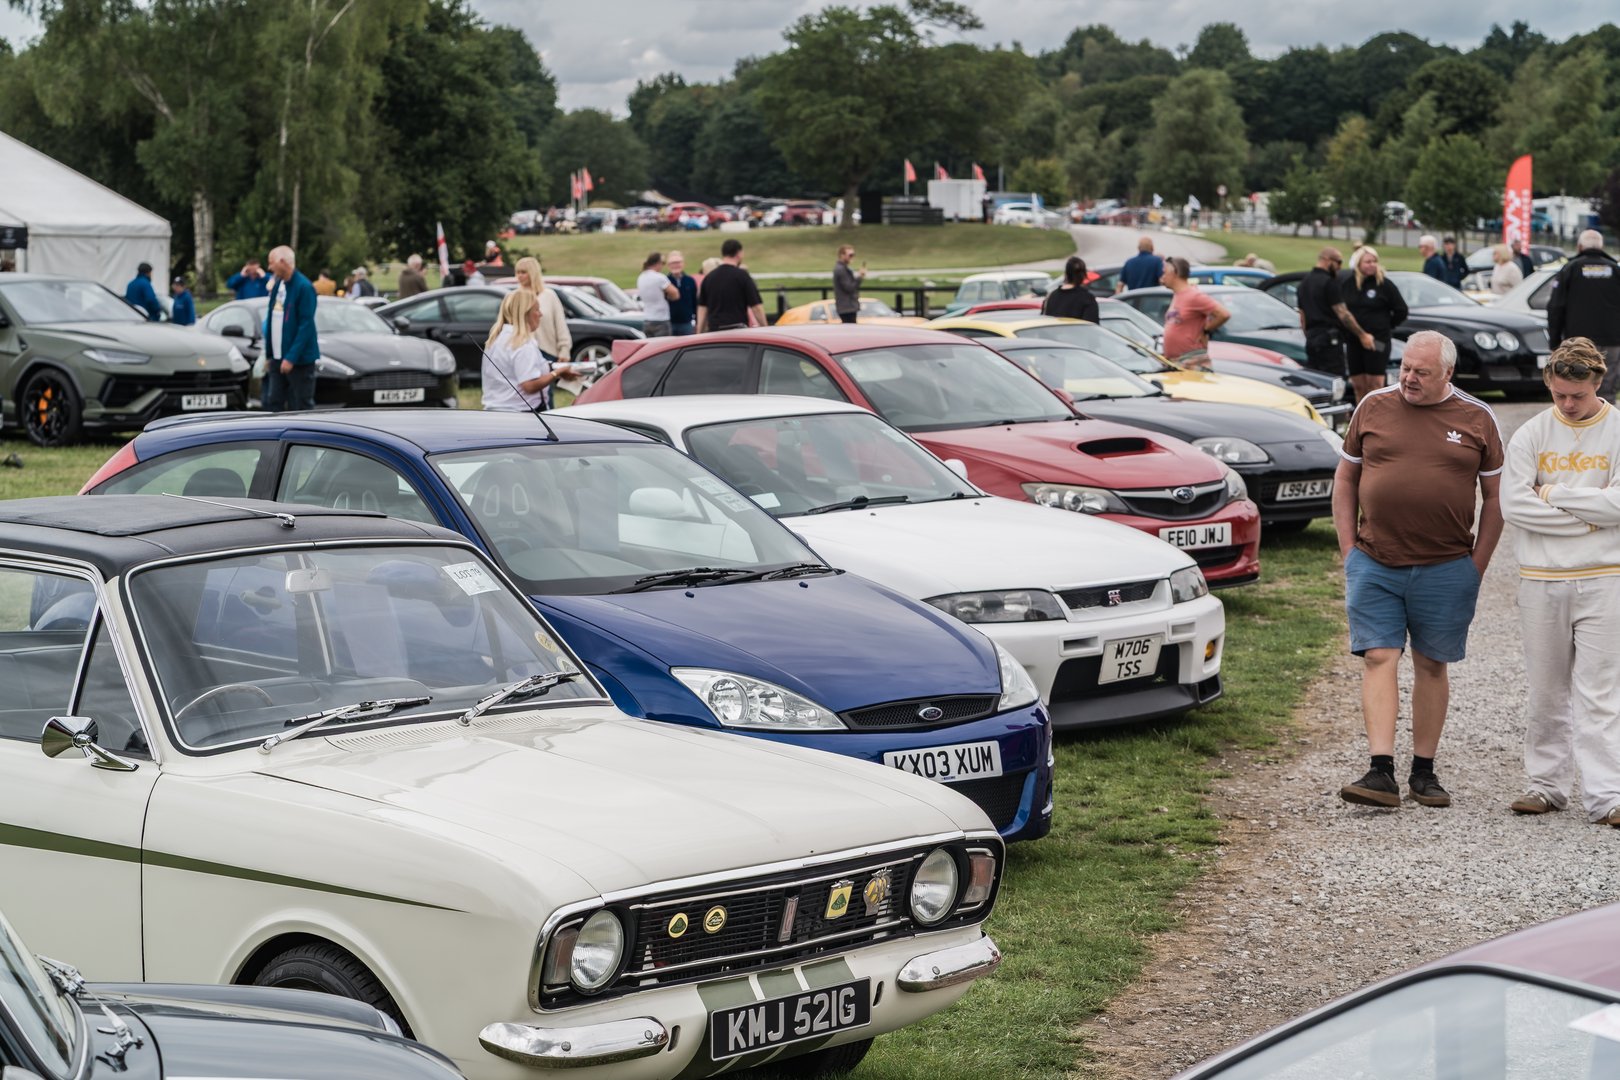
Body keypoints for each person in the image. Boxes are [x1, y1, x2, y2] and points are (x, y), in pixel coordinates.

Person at [1333, 330, 1504, 810]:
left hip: (1447, 566)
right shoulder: (1372, 406)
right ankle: (1380, 770)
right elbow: (1345, 479)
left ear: (1447, 373)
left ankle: (1423, 772)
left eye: (1421, 372)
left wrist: (1477, 565)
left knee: (1431, 664)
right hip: (1375, 561)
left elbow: (1496, 500)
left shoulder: (1477, 417)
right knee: (1378, 657)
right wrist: (1349, 549)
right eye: (1405, 367)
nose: (1408, 377)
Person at [1499, 338, 1620, 826]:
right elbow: (1513, 506)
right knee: (1546, 690)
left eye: (1578, 395)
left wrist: (1553, 493)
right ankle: (1546, 785)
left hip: (1605, 576)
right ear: (1549, 384)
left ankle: (1607, 795)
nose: (1568, 405)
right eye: (1560, 394)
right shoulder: (1531, 432)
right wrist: (1593, 515)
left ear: (1598, 383)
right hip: (1541, 577)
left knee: (1600, 691)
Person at [1547, 229, 1620, 402]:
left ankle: (1581, 425)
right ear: (1601, 247)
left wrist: (1555, 342)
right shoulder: (1615, 270)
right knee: (1607, 386)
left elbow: (1556, 307)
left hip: (1577, 343)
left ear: (1579, 246)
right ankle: (1607, 423)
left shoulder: (1570, 269)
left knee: (1576, 385)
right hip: (1612, 340)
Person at [480, 289, 579, 412]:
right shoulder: (522, 344)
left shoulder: (497, 339)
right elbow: (529, 386)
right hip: (521, 414)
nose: (541, 314)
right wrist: (557, 373)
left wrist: (553, 367)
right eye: (537, 310)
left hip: (496, 410)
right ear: (525, 314)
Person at [1339, 246, 1408, 403]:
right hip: (1354, 340)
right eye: (1367, 261)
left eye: (1374, 261)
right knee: (1358, 384)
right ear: (1358, 264)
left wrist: (1385, 326)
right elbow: (1341, 312)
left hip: (1378, 341)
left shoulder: (1384, 284)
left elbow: (1401, 310)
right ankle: (1361, 419)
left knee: (1375, 384)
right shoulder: (1348, 284)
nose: (1372, 264)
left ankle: (1377, 420)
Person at [1296, 247, 1373, 379]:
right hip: (1329, 341)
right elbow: (1343, 314)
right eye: (1339, 261)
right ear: (1327, 260)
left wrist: (1309, 335)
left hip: (1312, 340)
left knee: (1315, 380)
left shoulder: (1304, 283)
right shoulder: (1330, 282)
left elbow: (1302, 317)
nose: (1340, 266)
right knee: (1334, 380)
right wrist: (1362, 335)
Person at [263, 245, 320, 412]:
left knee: (301, 405)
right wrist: (269, 354)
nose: (269, 267)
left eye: (271, 262)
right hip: (277, 358)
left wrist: (291, 358)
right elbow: (272, 319)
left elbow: (306, 325)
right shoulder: (278, 286)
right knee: (273, 402)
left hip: (299, 361)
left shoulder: (304, 287)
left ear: (282, 262)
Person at [1158, 256, 1227, 369]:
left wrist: (1205, 330)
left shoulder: (1193, 296)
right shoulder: (1178, 295)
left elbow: (1223, 314)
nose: (1162, 277)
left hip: (1192, 361)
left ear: (1174, 273)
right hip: (1178, 362)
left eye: (1164, 273)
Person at [512, 256, 572, 369]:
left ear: (532, 273)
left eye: (523, 272)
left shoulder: (549, 296)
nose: (519, 275)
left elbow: (560, 324)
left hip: (547, 352)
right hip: (522, 351)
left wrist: (564, 350)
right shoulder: (515, 297)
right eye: (517, 272)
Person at [696, 238, 764, 332]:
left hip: (715, 331)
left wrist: (699, 332)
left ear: (723, 253)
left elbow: (702, 309)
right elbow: (756, 307)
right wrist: (765, 326)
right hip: (737, 330)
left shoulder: (709, 278)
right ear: (739, 253)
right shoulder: (742, 276)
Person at [1041, 255, 1100, 322]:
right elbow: (1091, 325)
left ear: (1066, 273)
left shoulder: (1051, 296)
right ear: (1083, 275)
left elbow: (1044, 320)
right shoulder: (1086, 298)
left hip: (1054, 331)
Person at [636, 252, 679, 337]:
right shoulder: (659, 277)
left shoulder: (641, 277)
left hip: (647, 319)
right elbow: (675, 293)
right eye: (663, 263)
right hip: (661, 319)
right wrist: (668, 296)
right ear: (657, 263)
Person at [666, 250, 698, 335]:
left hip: (686, 323)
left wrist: (697, 321)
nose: (676, 265)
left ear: (683, 264)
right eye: (673, 263)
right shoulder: (665, 281)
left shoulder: (690, 281)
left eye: (678, 262)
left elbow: (695, 302)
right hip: (669, 323)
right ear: (668, 265)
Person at [833, 244, 866, 324]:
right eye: (850, 255)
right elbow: (849, 288)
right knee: (851, 331)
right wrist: (860, 277)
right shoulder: (841, 270)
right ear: (842, 255)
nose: (852, 257)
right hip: (847, 307)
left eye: (853, 255)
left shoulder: (843, 268)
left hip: (847, 307)